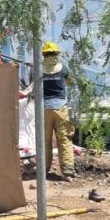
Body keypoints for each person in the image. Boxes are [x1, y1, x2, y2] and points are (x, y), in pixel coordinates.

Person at [41, 41, 76, 179]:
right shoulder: (64, 69)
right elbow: (70, 82)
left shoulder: (38, 69)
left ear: (43, 55)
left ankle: (43, 170)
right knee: (64, 139)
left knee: (44, 141)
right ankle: (67, 171)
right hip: (61, 108)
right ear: (57, 54)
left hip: (43, 109)